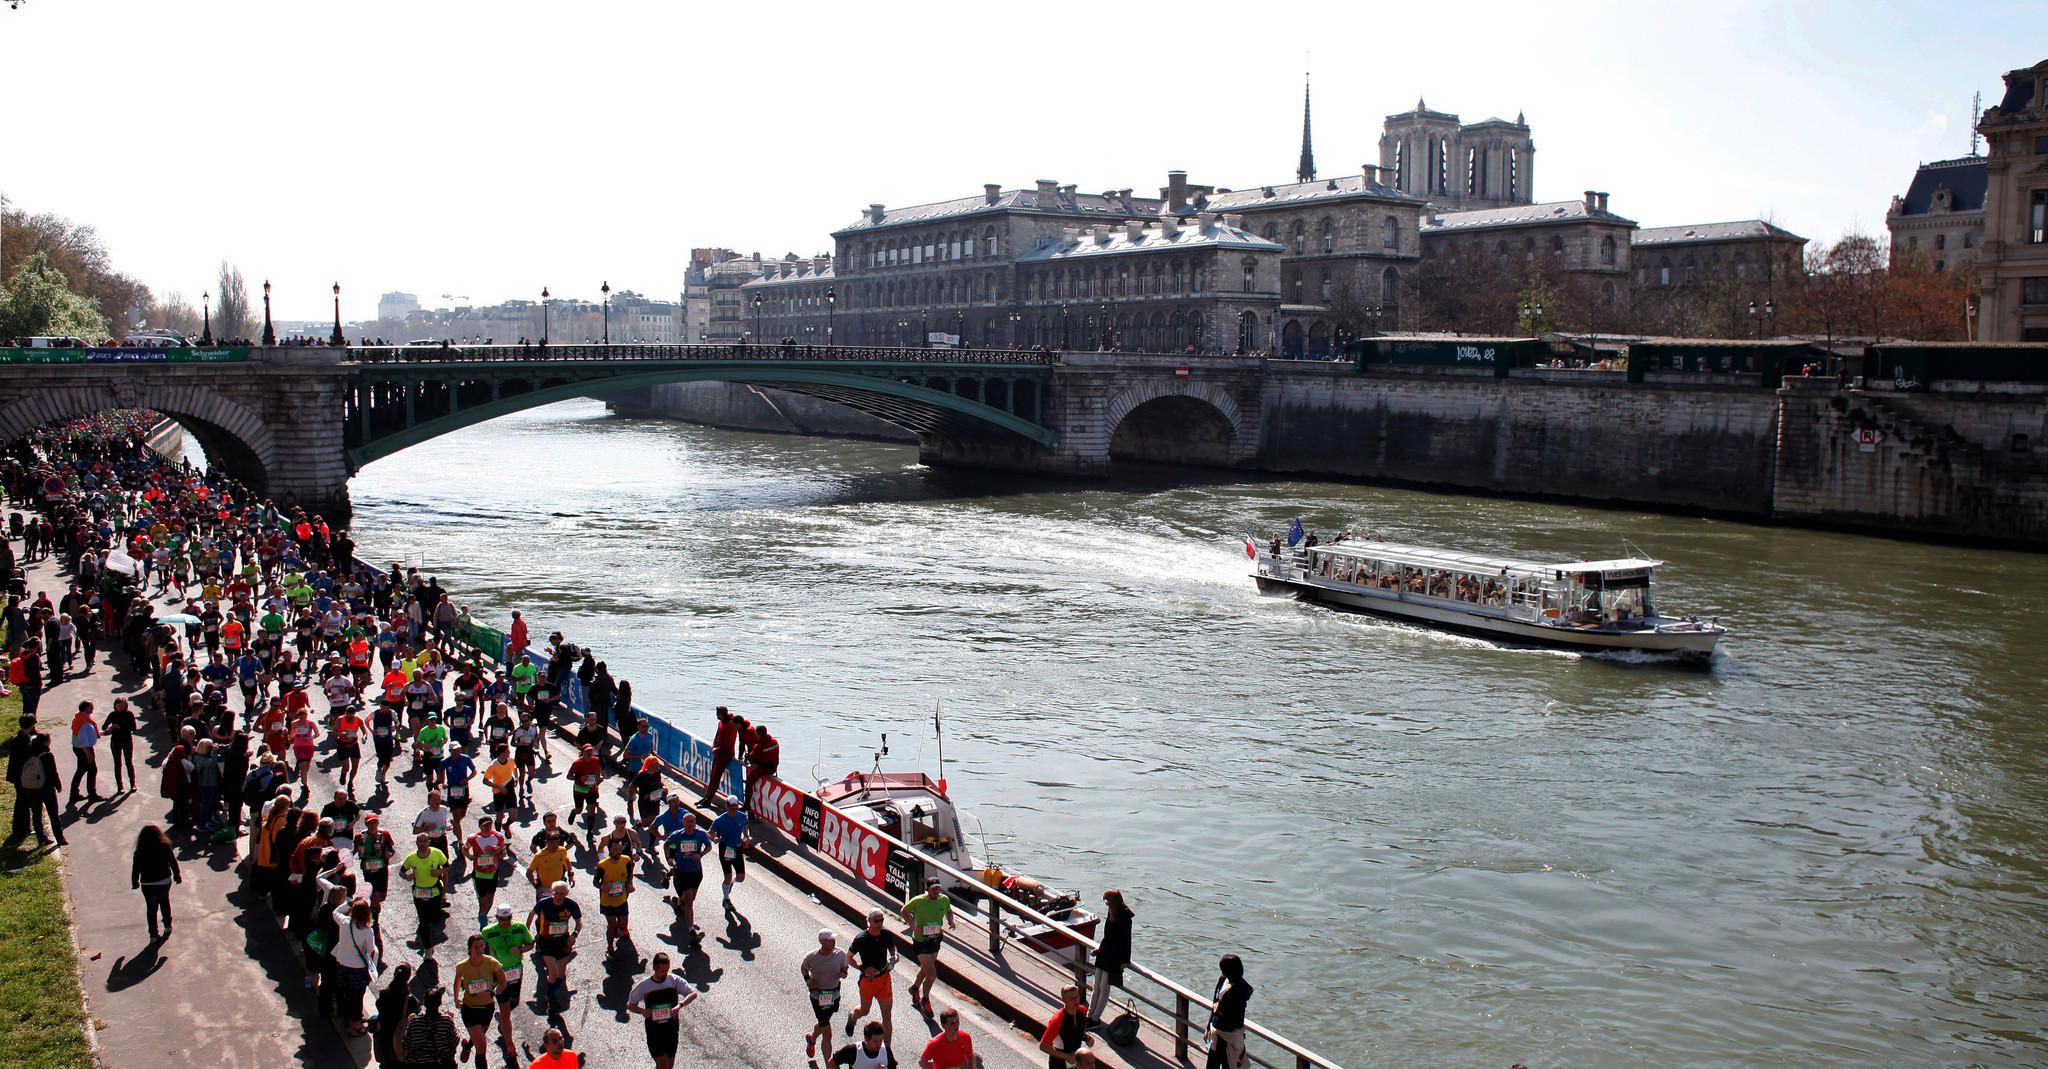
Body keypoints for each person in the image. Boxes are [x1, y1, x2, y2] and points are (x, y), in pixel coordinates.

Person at [625, 951, 698, 1069]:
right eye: (662, 971)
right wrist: (642, 1011)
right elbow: (630, 1005)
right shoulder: (645, 985)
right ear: (654, 968)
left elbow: (692, 994)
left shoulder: (674, 981)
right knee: (664, 1066)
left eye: (667, 970)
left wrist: (680, 1005)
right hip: (655, 1032)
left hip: (671, 1030)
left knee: (668, 1067)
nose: (665, 974)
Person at [480, 902, 535, 1055]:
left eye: (508, 918)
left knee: (514, 1002)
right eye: (502, 919)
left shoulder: (520, 928)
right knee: (505, 1009)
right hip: (498, 974)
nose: (505, 922)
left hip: (516, 971)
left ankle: (503, 1022)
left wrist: (521, 949)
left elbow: (531, 944)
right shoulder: (488, 932)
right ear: (497, 918)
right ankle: (509, 1042)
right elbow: (480, 951)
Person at [899, 877, 955, 1011]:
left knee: (925, 968)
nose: (936, 892)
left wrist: (951, 921)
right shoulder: (919, 901)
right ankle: (925, 1000)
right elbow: (903, 911)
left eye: (938, 889)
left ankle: (914, 988)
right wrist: (912, 925)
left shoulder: (944, 899)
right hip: (921, 940)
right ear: (927, 889)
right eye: (933, 889)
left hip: (935, 939)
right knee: (932, 974)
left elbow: (949, 911)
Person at [528, 880, 583, 1015]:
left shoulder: (571, 905)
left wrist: (574, 935)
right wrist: (528, 932)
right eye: (556, 893)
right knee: (552, 972)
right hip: (546, 942)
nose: (559, 897)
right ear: (553, 893)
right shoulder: (544, 903)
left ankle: (551, 991)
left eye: (562, 894)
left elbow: (579, 922)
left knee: (561, 974)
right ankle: (552, 1000)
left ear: (566, 893)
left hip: (563, 942)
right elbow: (531, 914)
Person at [453, 933, 507, 1069]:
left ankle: (467, 1046)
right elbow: (457, 980)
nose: (480, 949)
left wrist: (497, 990)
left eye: (482, 946)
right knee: (482, 1047)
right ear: (470, 949)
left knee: (479, 1038)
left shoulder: (492, 963)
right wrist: (456, 997)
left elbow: (503, 981)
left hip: (487, 1008)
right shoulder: (462, 966)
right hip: (470, 1009)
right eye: (476, 947)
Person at [659, 807, 712, 941]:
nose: (690, 824)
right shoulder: (677, 835)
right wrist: (669, 858)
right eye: (688, 821)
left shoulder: (701, 834)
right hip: (682, 871)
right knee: (689, 903)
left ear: (695, 823)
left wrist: (700, 854)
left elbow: (709, 846)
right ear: (683, 823)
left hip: (696, 871)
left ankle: (677, 902)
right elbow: (668, 845)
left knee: (691, 898)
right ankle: (691, 930)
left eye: (693, 822)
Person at [331, 897, 382, 1037]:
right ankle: (354, 1024)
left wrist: (349, 902)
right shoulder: (367, 931)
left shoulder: (344, 922)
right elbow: (370, 948)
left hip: (342, 964)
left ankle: (348, 1017)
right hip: (357, 968)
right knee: (356, 996)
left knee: (345, 993)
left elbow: (335, 911)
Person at [846, 909, 898, 1043]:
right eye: (876, 921)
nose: (880, 923)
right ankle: (852, 1018)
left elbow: (892, 948)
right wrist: (861, 968)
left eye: (882, 920)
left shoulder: (886, 935)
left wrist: (894, 956)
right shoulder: (861, 939)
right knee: (864, 1010)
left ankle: (887, 1051)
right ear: (868, 921)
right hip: (868, 981)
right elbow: (849, 957)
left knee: (887, 1016)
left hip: (884, 978)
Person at [802, 928, 852, 1060]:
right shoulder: (812, 957)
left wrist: (844, 973)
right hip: (817, 997)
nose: (834, 941)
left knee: (824, 1022)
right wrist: (808, 980)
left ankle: (811, 1039)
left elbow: (845, 967)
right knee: (827, 1033)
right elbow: (804, 968)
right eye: (831, 940)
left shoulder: (840, 954)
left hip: (833, 995)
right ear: (823, 942)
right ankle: (829, 1064)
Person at [1088, 889, 1133, 1024]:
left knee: (1104, 986)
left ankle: (1095, 1018)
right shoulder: (1112, 911)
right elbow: (1107, 935)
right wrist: (1100, 949)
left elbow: (1126, 939)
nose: (1106, 904)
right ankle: (1090, 1015)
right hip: (1105, 951)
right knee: (1097, 986)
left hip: (1114, 956)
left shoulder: (1125, 917)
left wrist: (1125, 960)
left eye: (1107, 901)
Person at [130, 823, 181, 939]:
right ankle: (167, 925)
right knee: (165, 903)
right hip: (164, 880)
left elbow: (136, 868)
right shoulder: (164, 847)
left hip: (147, 883)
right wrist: (177, 875)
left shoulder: (139, 852)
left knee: (151, 909)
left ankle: (153, 934)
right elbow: (173, 862)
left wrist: (135, 881)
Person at [400, 831, 449, 946]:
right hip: (418, 893)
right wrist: (407, 876)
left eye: (425, 841)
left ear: (429, 842)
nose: (422, 843)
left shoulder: (437, 853)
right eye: (420, 841)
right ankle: (427, 948)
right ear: (416, 842)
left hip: (435, 892)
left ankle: (433, 922)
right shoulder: (411, 858)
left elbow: (447, 867)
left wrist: (439, 871)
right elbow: (401, 872)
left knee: (435, 919)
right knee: (423, 921)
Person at [465, 815, 515, 929]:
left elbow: (504, 854)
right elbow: (465, 848)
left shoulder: (498, 837)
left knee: (490, 901)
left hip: (493, 873)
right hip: (479, 874)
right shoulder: (473, 838)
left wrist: (499, 851)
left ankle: (483, 916)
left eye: (489, 825)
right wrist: (470, 856)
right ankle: (483, 925)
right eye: (484, 825)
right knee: (483, 902)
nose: (487, 827)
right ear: (479, 826)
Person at [1205, 954, 1253, 1069]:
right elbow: (1214, 1003)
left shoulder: (1241, 989)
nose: (1222, 972)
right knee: (1212, 1064)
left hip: (1230, 1035)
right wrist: (1208, 1027)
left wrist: (1220, 1008)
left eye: (1224, 970)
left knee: (1229, 1065)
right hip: (1216, 1031)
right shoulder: (1222, 980)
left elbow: (1235, 1015)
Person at [399, 985, 462, 1069]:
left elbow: (405, 1044)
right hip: (441, 1064)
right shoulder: (446, 1021)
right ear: (439, 1003)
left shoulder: (414, 1022)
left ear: (424, 1003)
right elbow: (454, 1042)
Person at [20, 732, 65, 846]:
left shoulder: (28, 754)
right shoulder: (47, 755)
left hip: (32, 788)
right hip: (46, 788)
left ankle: (41, 838)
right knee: (53, 814)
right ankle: (59, 838)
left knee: (36, 814)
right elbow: (53, 773)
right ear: (45, 742)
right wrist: (58, 785)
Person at [594, 835, 635, 957]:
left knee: (623, 927)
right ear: (609, 850)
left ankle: (618, 929)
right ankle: (610, 947)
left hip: (622, 900)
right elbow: (595, 882)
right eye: (614, 849)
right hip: (607, 901)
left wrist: (629, 884)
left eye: (619, 849)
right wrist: (602, 887)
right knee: (611, 924)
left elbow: (630, 873)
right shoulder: (602, 865)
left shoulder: (626, 860)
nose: (617, 852)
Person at [374, 963, 420, 1067]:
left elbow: (378, 1005)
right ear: (408, 978)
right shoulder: (410, 1001)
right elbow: (414, 1016)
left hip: (384, 1036)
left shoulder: (384, 993)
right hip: (400, 1039)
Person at [710, 795, 750, 909]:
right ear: (726, 806)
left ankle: (730, 883)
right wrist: (714, 838)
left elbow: (746, 824)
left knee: (741, 877)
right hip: (725, 849)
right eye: (731, 807)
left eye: (736, 807)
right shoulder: (720, 820)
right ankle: (726, 899)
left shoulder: (742, 816)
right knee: (728, 876)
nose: (734, 809)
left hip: (737, 848)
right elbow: (710, 832)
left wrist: (746, 835)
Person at [1040, 984, 1093, 1069]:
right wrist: (1066, 1057)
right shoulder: (1058, 1020)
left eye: (1077, 997)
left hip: (1075, 1061)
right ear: (1064, 1000)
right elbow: (1043, 1046)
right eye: (1072, 999)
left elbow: (1077, 1030)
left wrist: (1087, 1038)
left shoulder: (1082, 1011)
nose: (1076, 1001)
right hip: (1058, 1064)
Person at [357, 813, 397, 918]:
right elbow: (353, 850)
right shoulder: (359, 837)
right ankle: (374, 919)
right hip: (368, 870)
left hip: (381, 869)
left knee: (381, 897)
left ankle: (375, 910)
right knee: (374, 896)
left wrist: (389, 854)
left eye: (375, 822)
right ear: (366, 824)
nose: (373, 825)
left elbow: (392, 850)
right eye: (370, 823)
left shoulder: (385, 834)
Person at [68, 699, 101, 805]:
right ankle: (92, 795)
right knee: (91, 770)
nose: (93, 708)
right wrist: (89, 755)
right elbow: (83, 741)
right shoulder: (84, 723)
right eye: (91, 706)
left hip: (79, 748)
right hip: (84, 749)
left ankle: (74, 794)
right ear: (86, 708)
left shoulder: (79, 718)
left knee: (81, 770)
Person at [103, 696, 138, 793]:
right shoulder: (112, 715)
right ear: (115, 706)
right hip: (115, 741)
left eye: (122, 705)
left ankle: (132, 784)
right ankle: (120, 786)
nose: (120, 707)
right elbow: (103, 727)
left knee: (129, 763)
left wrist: (120, 726)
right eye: (118, 705)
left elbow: (133, 728)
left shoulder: (129, 714)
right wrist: (110, 727)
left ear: (125, 705)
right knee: (117, 764)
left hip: (127, 740)